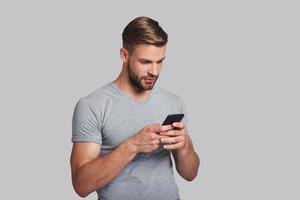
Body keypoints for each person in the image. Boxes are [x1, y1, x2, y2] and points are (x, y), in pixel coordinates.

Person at [70, 16, 200, 200]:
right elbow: (81, 185)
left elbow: (190, 174)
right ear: (124, 55)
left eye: (160, 61)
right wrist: (132, 146)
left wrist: (185, 147)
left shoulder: (174, 102)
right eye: (145, 62)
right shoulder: (92, 105)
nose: (154, 71)